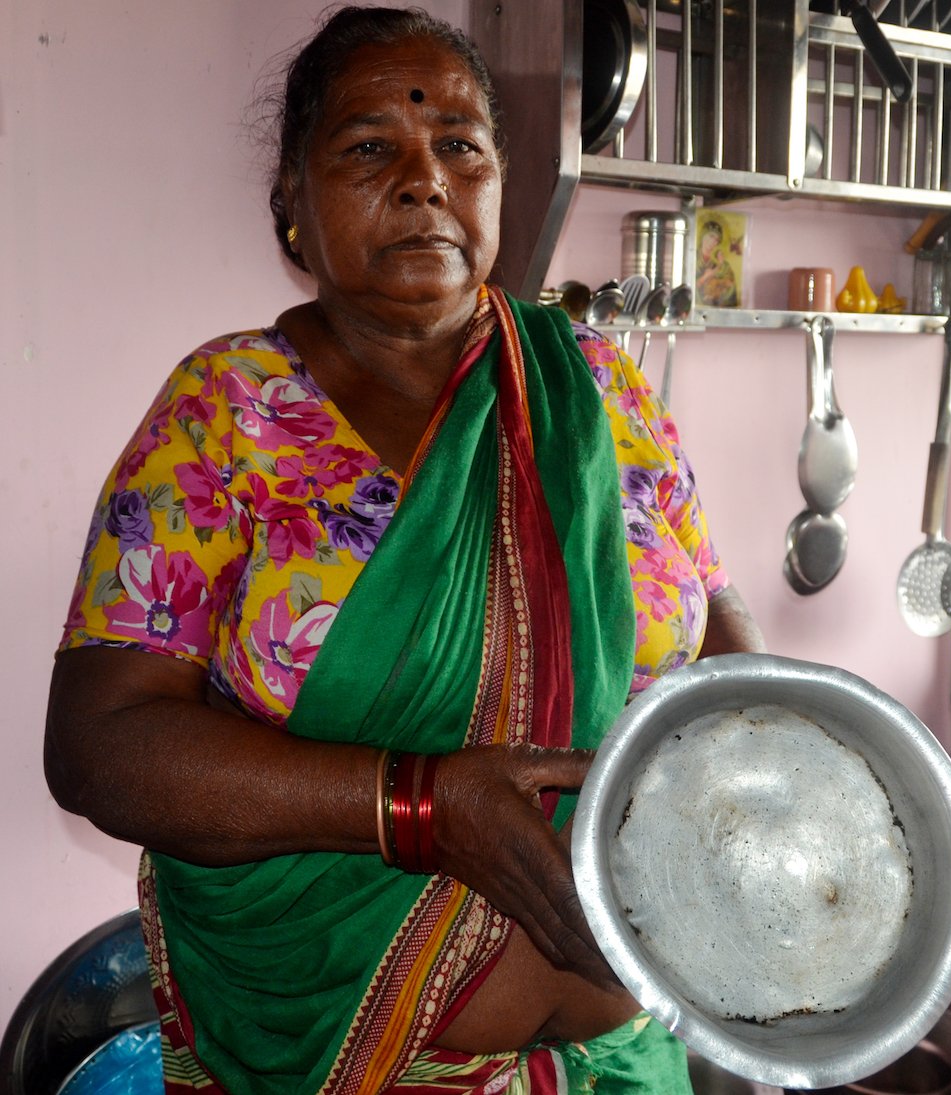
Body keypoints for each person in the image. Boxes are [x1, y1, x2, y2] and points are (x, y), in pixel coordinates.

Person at [44, 7, 764, 1093]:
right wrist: (419, 806)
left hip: (626, 1052)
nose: (425, 179)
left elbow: (711, 631)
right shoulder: (226, 414)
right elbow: (101, 747)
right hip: (336, 1055)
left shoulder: (598, 388)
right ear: (292, 201)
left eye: (460, 146)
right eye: (370, 146)